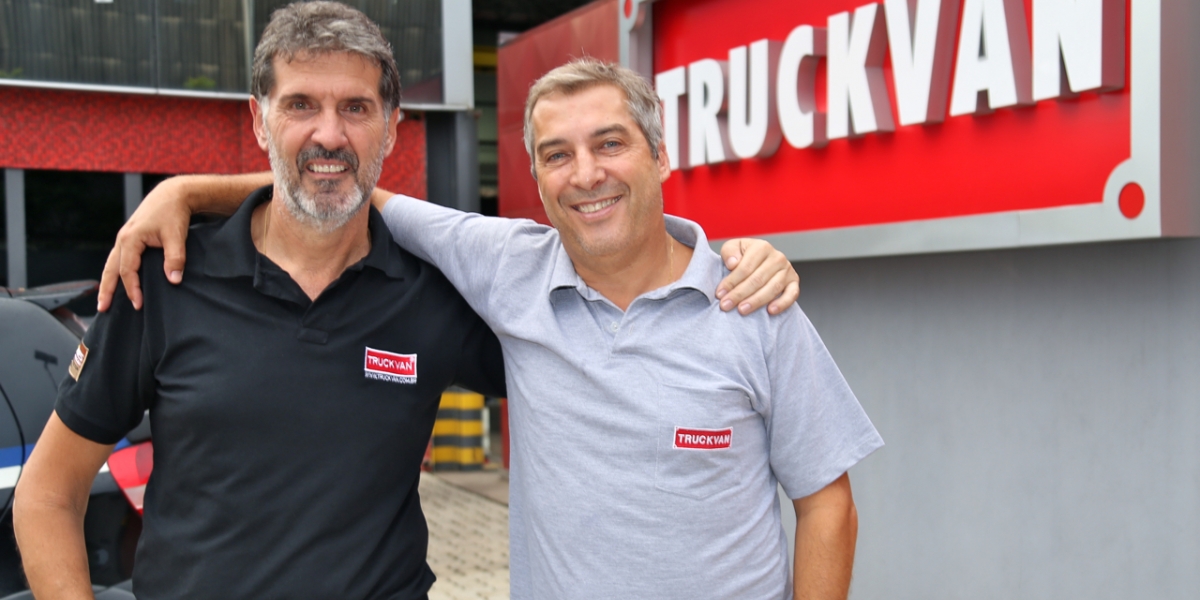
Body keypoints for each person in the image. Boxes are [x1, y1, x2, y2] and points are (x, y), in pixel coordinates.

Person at [99, 57, 880, 599]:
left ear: (660, 156)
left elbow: (828, 506)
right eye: (557, 155)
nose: (586, 174)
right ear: (535, 178)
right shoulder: (509, 266)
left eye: (610, 144)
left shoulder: (752, 303)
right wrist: (187, 190)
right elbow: (343, 187)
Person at [12, 4, 505, 598]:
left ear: (392, 126)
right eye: (301, 105)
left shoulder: (434, 293)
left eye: (356, 108)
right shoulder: (166, 279)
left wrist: (189, 188)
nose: (330, 133)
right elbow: (47, 494)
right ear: (259, 120)